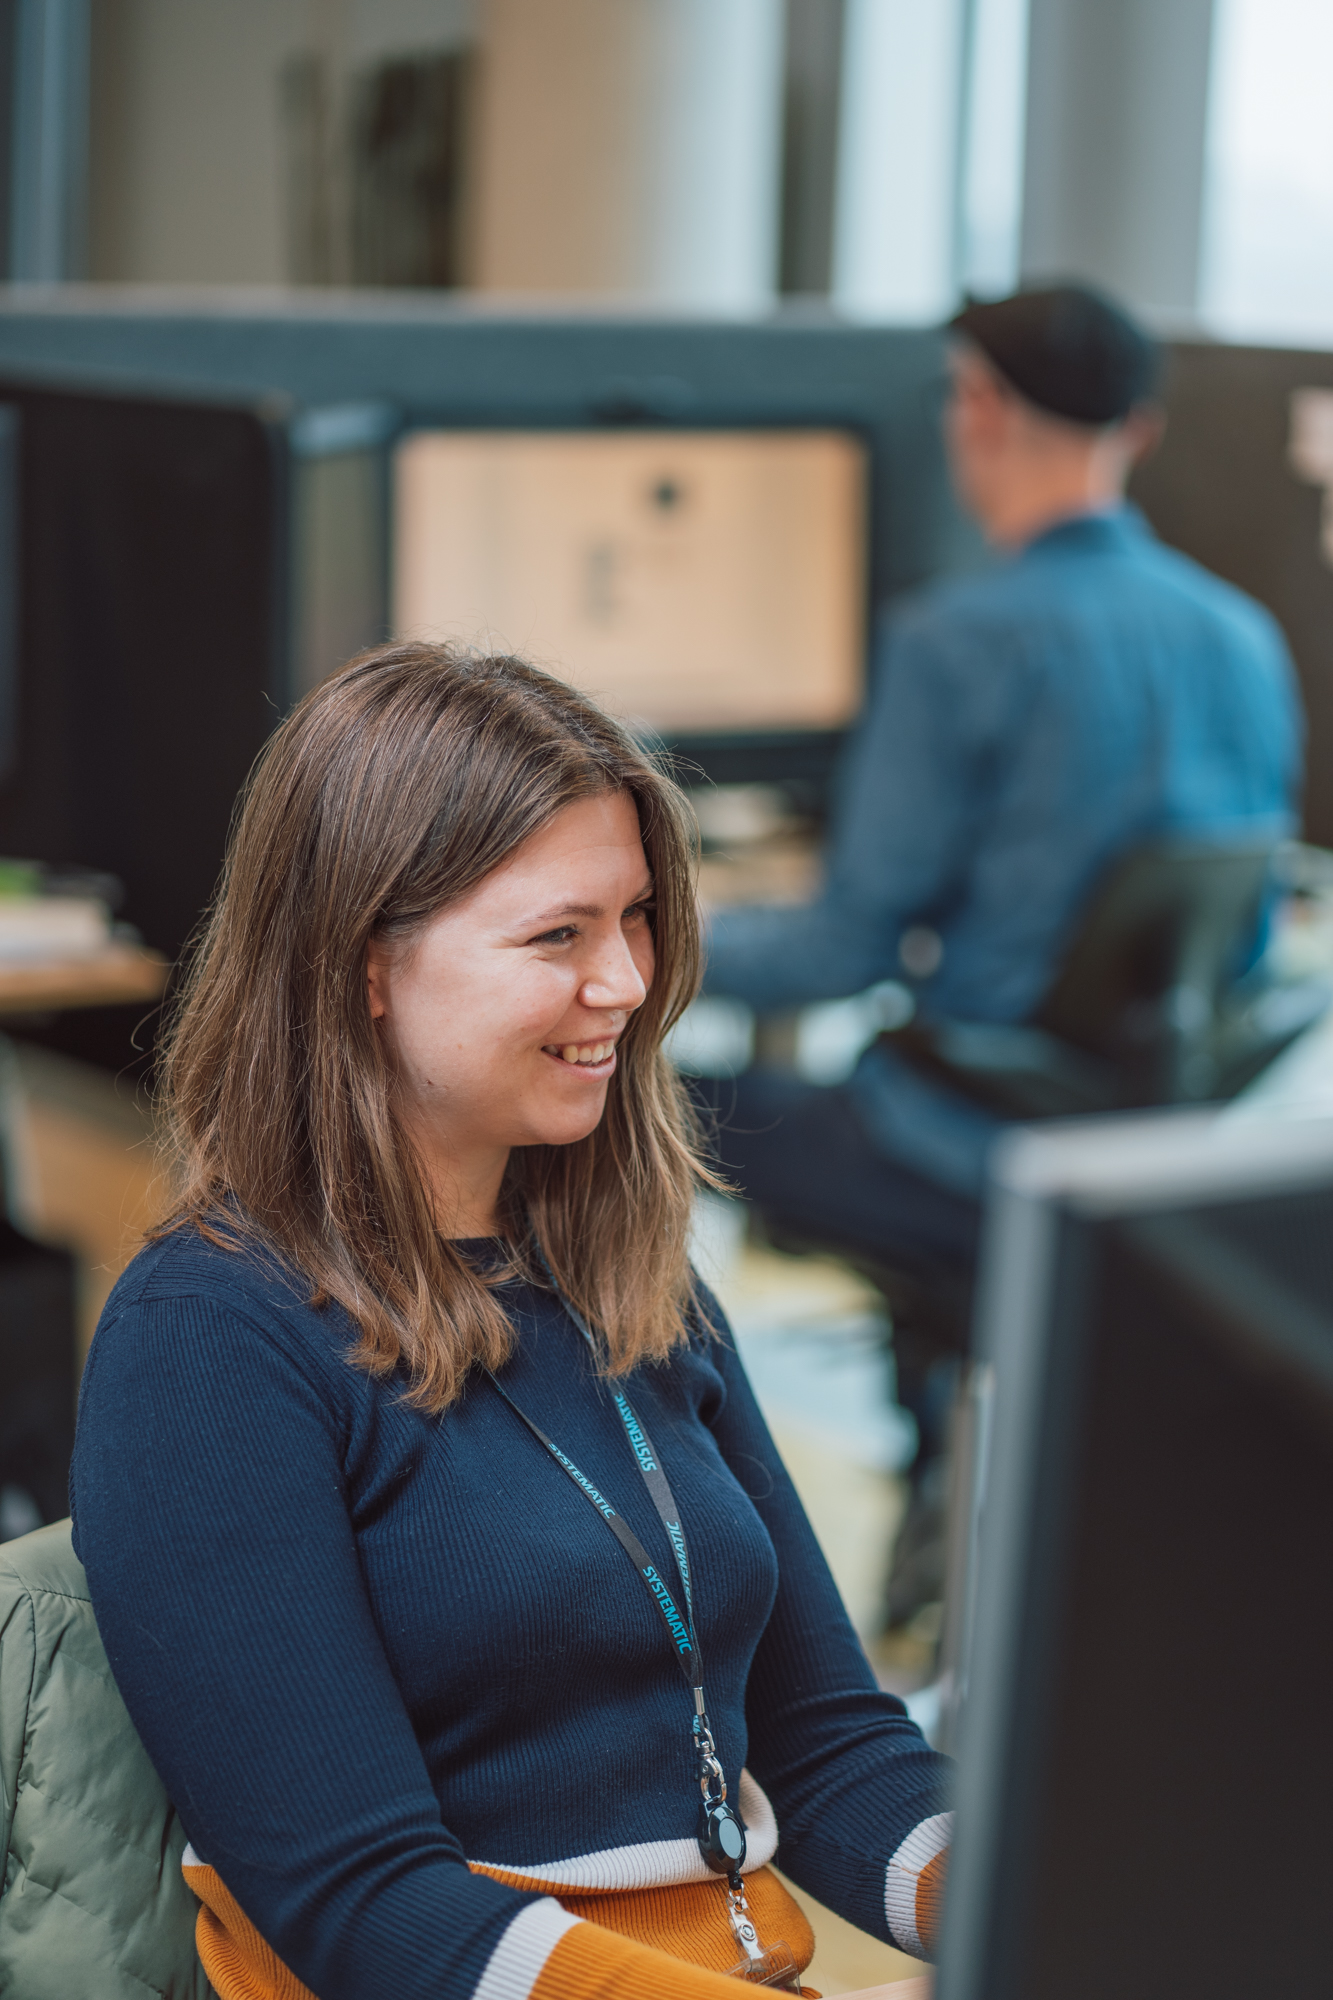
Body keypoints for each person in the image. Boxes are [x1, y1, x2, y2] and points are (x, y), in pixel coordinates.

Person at [70, 645, 951, 2000]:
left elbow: (825, 1742)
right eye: (559, 936)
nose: (627, 984)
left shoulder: (627, 1284)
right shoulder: (209, 1335)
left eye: (636, 919)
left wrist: (1039, 1891)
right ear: (365, 964)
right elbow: (362, 1902)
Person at [700, 285, 1304, 1561]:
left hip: (953, 1150)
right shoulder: (1244, 636)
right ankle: (947, 1463)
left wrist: (648, 932)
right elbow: (1229, 949)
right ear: (1134, 432)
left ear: (976, 408)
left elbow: (841, 951)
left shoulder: (956, 640)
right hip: (1143, 1161)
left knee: (674, 1107)